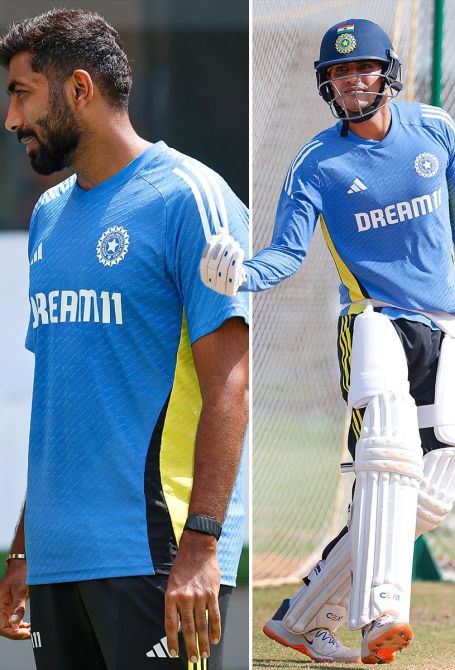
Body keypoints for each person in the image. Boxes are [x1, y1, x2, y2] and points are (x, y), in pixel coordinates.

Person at [202, 18, 455, 665]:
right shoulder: (317, 163)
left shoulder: (436, 131)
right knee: (385, 457)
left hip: (448, 326)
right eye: (339, 73)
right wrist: (241, 275)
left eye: (363, 69)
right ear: (329, 85)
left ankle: (301, 617)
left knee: (431, 497)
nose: (353, 81)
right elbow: (285, 254)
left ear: (388, 73)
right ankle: (380, 611)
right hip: (373, 319)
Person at [0, 9, 249, 670]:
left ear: (79, 89)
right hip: (58, 562)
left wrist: (201, 545)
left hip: (157, 554)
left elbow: (231, 383)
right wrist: (25, 548)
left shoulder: (191, 200)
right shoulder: (49, 217)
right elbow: (67, 400)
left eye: (21, 93)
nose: (11, 119)